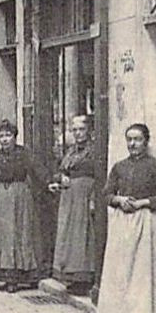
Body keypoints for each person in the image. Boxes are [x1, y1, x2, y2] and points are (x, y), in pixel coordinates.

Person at [96, 122, 156, 313]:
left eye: (138, 139)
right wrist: (119, 199)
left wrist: (142, 202)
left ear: (146, 142)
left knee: (144, 273)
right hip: (124, 225)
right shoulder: (119, 167)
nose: (133, 144)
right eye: (129, 139)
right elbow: (106, 194)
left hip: (148, 223)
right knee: (124, 273)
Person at [0, 119, 44, 292]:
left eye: (8, 135)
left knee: (19, 233)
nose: (5, 139)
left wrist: (49, 182)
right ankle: (4, 275)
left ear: (15, 137)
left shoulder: (24, 154)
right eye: (1, 136)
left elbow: (37, 170)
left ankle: (21, 275)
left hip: (19, 197)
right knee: (3, 235)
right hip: (0, 199)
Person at [47, 114, 101, 294]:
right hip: (69, 197)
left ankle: (84, 277)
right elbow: (60, 170)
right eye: (74, 130)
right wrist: (60, 178)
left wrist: (94, 198)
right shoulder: (70, 151)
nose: (78, 133)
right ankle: (70, 275)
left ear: (90, 131)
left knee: (82, 235)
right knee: (69, 236)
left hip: (85, 195)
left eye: (81, 129)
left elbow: (99, 176)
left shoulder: (94, 151)